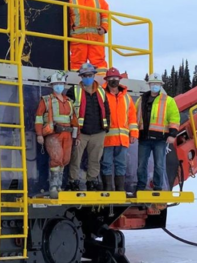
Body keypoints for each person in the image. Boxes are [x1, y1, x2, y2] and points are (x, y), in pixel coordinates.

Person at [67, 62, 110, 190]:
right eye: (85, 75)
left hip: (98, 131)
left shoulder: (101, 91)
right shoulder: (73, 91)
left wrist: (106, 126)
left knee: (95, 159)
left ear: (94, 75)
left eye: (90, 75)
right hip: (81, 132)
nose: (88, 77)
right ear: (81, 76)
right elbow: (68, 111)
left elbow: (106, 110)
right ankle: (73, 181)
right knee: (76, 158)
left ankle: (91, 181)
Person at [135, 72, 181, 191]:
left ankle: (158, 187)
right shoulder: (141, 100)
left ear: (160, 85)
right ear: (149, 84)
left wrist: (173, 134)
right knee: (141, 165)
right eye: (153, 83)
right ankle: (141, 186)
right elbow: (134, 117)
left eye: (157, 84)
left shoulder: (168, 101)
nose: (155, 85)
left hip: (160, 139)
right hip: (144, 138)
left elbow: (174, 118)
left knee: (159, 165)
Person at [35, 71, 77, 198]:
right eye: (56, 83)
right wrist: (39, 134)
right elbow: (38, 118)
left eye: (61, 83)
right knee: (56, 158)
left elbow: (74, 120)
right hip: (53, 134)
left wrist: (77, 136)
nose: (59, 86)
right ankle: (53, 186)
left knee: (65, 160)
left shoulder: (69, 101)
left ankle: (59, 187)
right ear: (52, 85)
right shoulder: (46, 100)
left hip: (67, 135)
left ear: (64, 84)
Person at [101, 67, 138, 195]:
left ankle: (120, 189)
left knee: (121, 165)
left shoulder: (126, 98)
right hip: (107, 138)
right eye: (111, 79)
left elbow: (132, 117)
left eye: (115, 78)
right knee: (106, 164)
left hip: (123, 139)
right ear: (107, 80)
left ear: (119, 80)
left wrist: (133, 133)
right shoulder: (102, 95)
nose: (113, 81)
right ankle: (107, 189)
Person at [68, 0, 110, 71]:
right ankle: (76, 85)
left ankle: (102, 85)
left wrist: (104, 28)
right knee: (77, 64)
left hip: (96, 38)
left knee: (99, 64)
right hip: (78, 39)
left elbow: (105, 15)